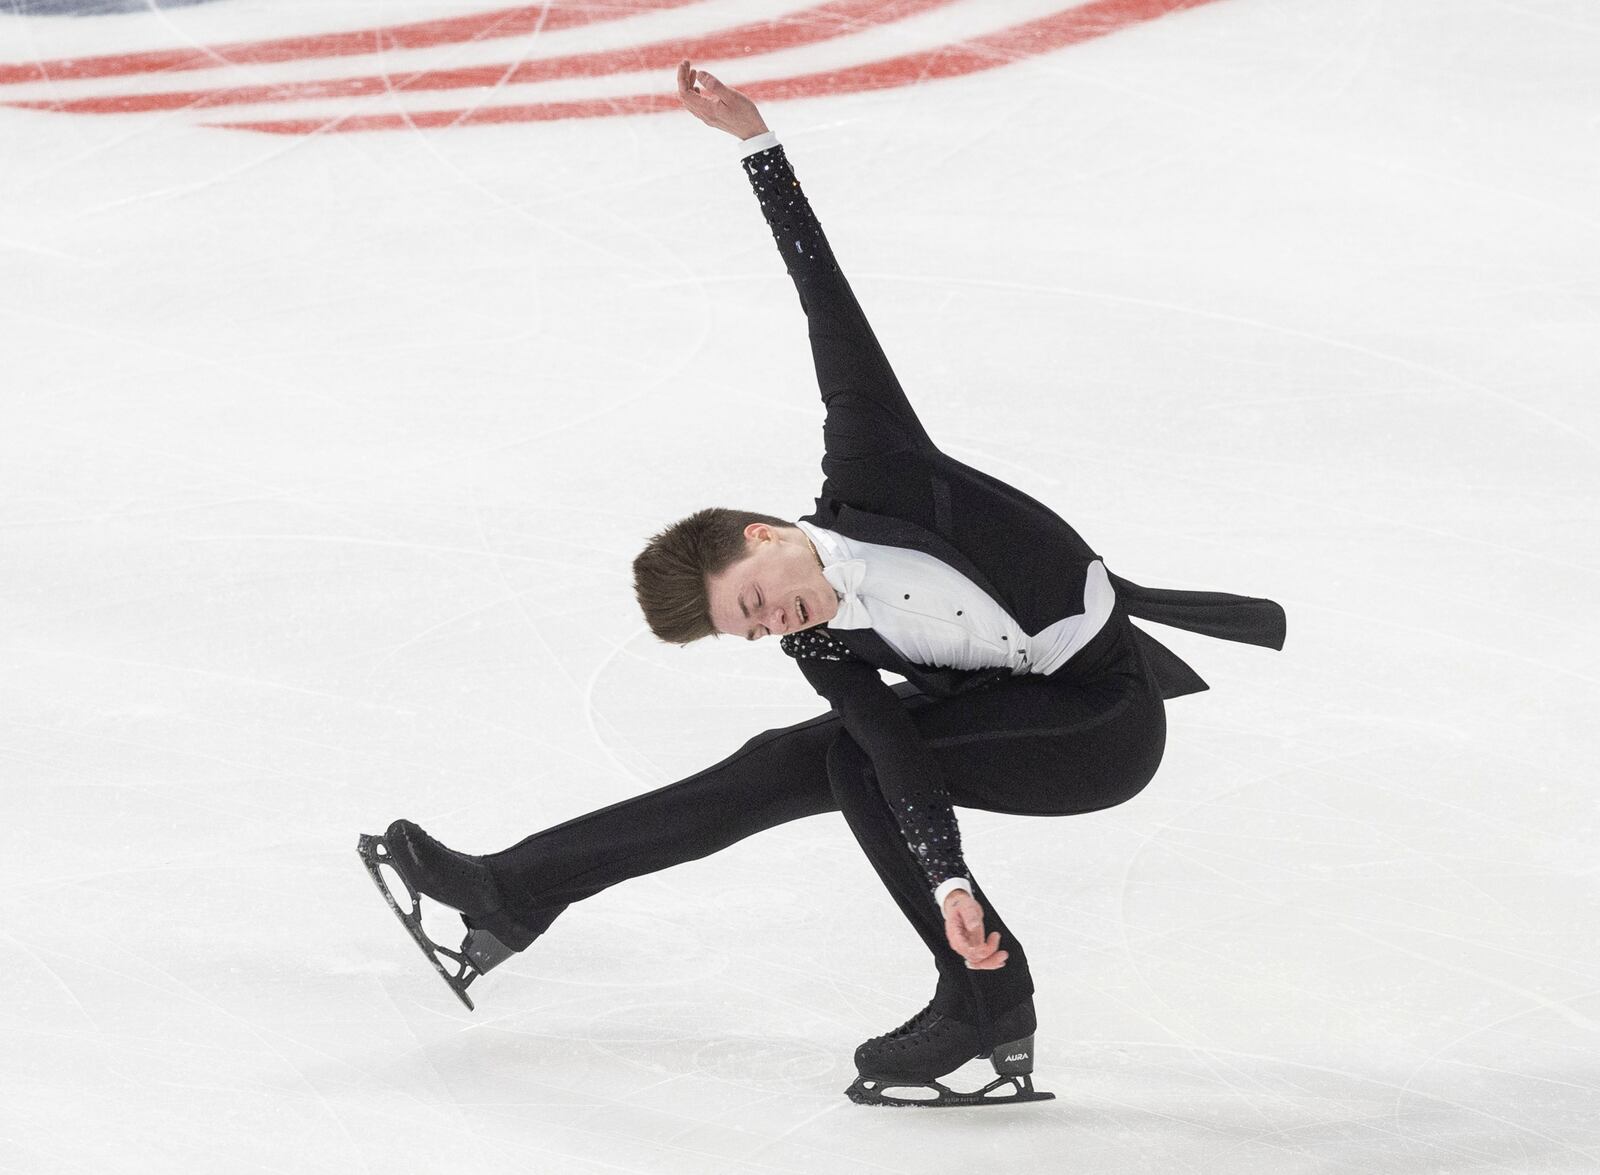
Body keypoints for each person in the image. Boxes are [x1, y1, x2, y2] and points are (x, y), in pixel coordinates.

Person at [357, 60, 1286, 1108]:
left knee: (848, 762)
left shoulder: (878, 467)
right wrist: (948, 880)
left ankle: (984, 1000)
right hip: (1004, 714)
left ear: (763, 533)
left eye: (753, 601)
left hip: (1101, 723)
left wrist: (756, 147)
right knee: (802, 756)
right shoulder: (824, 642)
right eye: (747, 634)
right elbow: (893, 746)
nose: (773, 626)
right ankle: (511, 890)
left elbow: (823, 301)